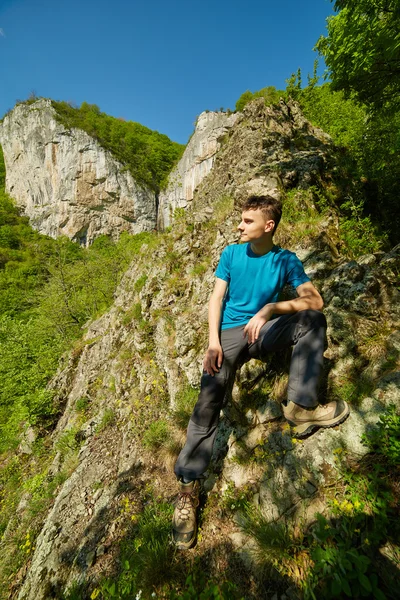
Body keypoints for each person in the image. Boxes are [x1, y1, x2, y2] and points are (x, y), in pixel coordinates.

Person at [172, 194, 349, 550]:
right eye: (241, 219)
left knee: (311, 320)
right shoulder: (232, 254)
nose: (239, 226)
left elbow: (314, 300)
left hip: (263, 330)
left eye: (247, 221)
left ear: (268, 226)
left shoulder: (285, 260)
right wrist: (213, 343)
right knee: (208, 401)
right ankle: (188, 491)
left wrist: (271, 307)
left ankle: (300, 407)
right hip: (227, 336)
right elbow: (216, 299)